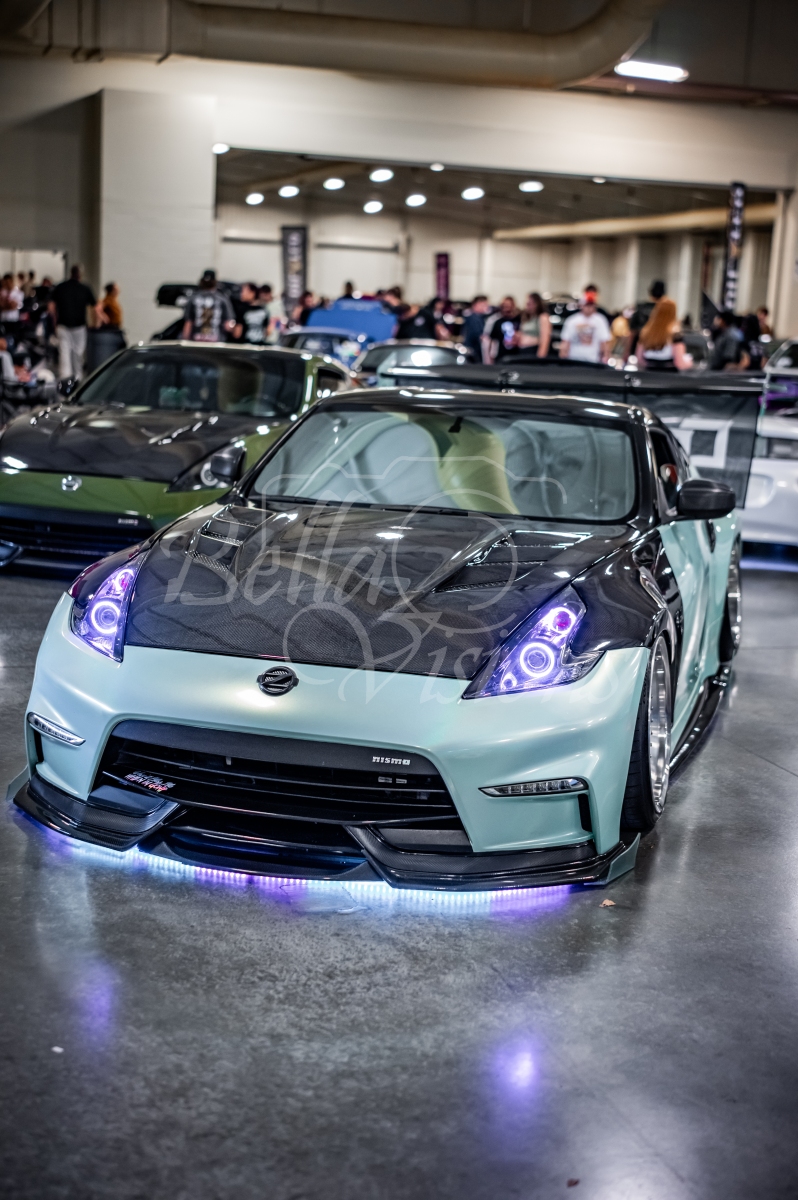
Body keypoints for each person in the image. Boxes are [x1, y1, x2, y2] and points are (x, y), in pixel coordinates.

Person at [49, 264, 97, 380]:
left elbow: (51, 308)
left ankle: (65, 379)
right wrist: (94, 323)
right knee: (78, 354)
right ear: (80, 274)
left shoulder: (60, 287)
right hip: (79, 326)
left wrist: (54, 323)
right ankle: (77, 378)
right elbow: (95, 307)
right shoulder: (84, 288)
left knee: (64, 353)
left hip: (63, 325)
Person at [636, 298, 693, 371]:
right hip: (668, 375)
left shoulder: (645, 333)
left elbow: (639, 359)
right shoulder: (675, 335)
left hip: (649, 373)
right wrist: (690, 362)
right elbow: (679, 363)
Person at [182, 269, 236, 342]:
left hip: (197, 341)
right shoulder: (222, 299)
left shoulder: (194, 298)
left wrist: (185, 340)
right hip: (216, 341)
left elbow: (188, 323)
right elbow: (228, 324)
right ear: (215, 282)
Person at [559, 293, 612, 363]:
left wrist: (605, 357)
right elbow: (566, 341)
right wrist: (563, 357)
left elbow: (604, 342)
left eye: (591, 305)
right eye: (587, 305)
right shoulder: (572, 320)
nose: (589, 307)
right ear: (581, 305)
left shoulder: (600, 321)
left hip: (593, 361)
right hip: (574, 359)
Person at [629, 280, 666, 354]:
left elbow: (632, 332)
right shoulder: (666, 310)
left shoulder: (641, 308)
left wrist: (627, 351)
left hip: (639, 347)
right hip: (660, 349)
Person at [511, 292, 551, 358]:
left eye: (529, 304)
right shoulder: (527, 318)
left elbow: (545, 340)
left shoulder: (543, 317)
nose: (527, 306)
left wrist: (540, 358)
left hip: (533, 351)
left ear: (536, 304)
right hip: (522, 351)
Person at [482, 296, 519, 363]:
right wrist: (490, 358)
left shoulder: (518, 319)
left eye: (509, 306)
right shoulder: (497, 321)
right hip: (500, 356)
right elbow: (491, 341)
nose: (507, 309)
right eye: (505, 306)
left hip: (516, 355)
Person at [461, 295, 490, 360]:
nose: (486, 307)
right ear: (476, 304)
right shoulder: (473, 318)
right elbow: (477, 334)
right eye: (483, 305)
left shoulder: (480, 317)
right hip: (473, 349)